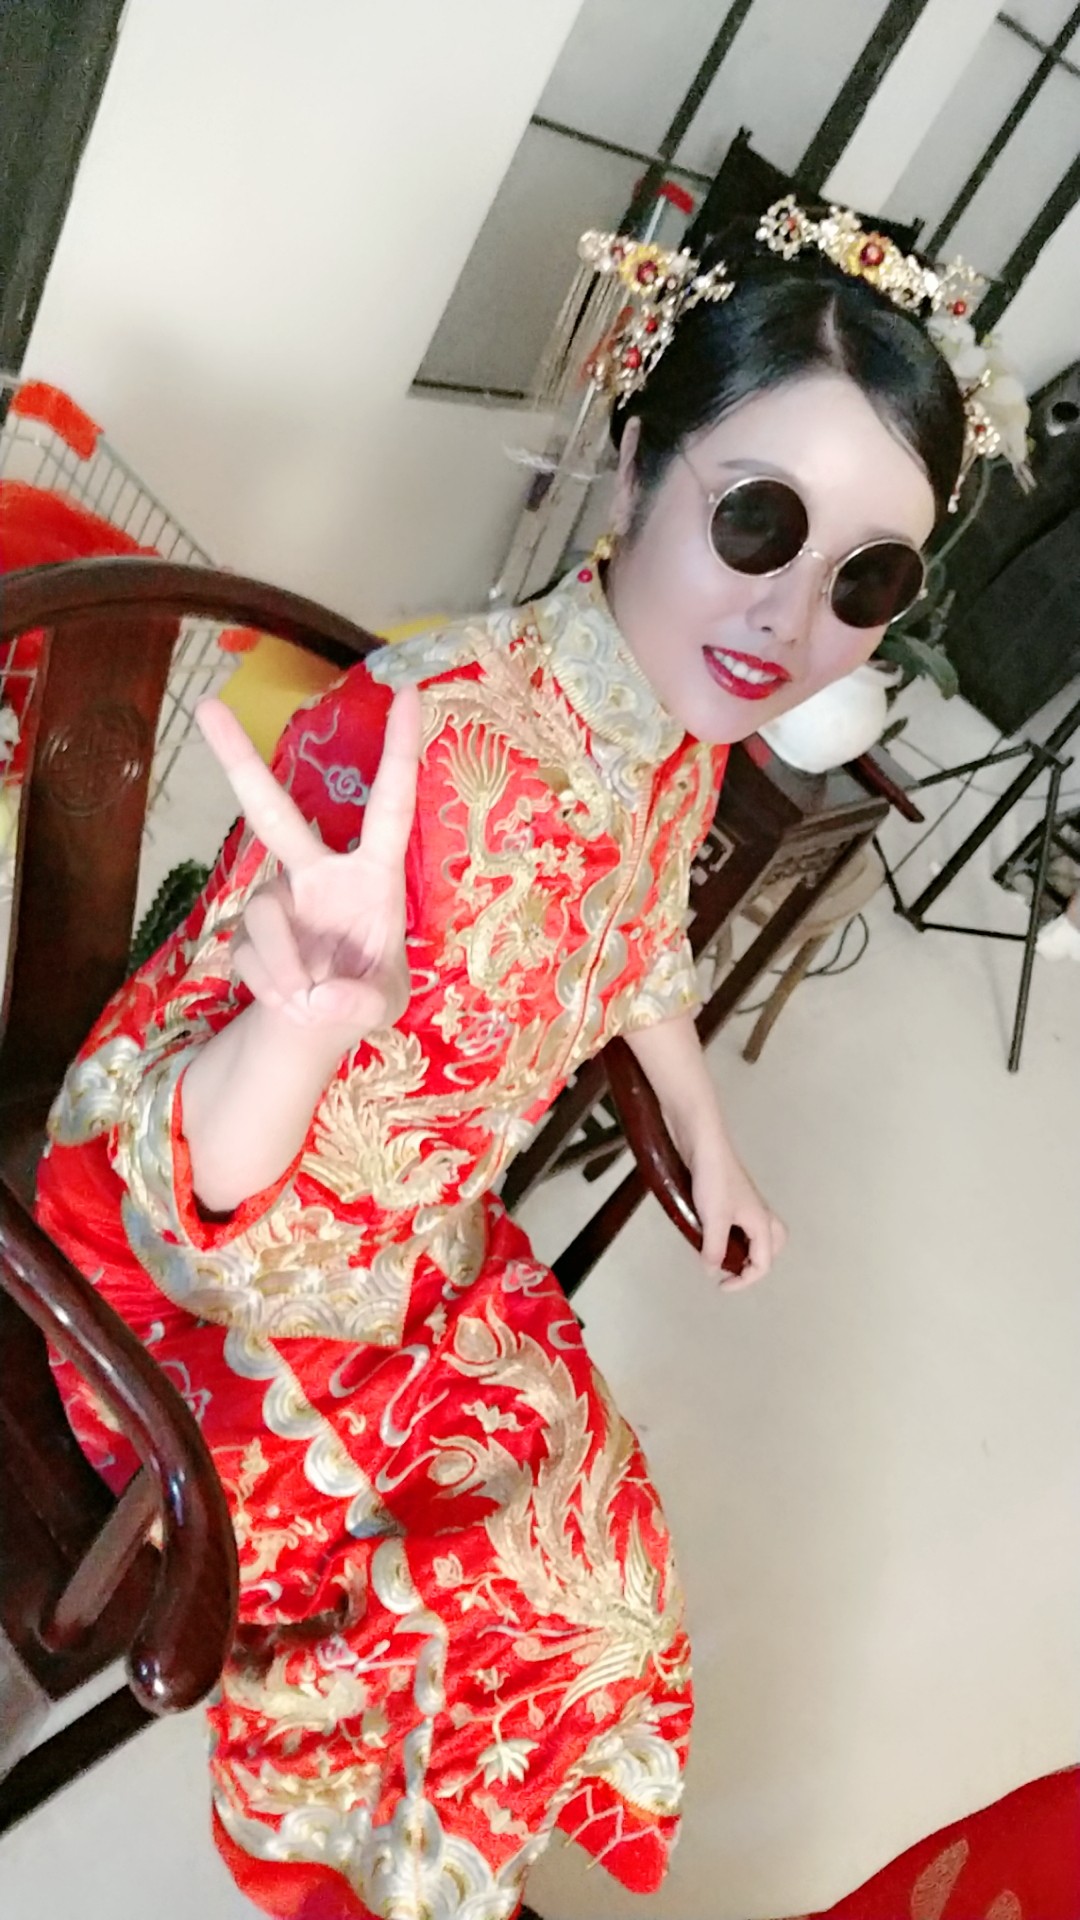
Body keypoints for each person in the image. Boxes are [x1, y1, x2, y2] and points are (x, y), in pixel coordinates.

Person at [36, 198, 970, 1920]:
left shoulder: (675, 726)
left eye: (866, 578)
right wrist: (303, 1026)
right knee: (518, 1597)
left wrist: (710, 1137)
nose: (792, 617)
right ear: (636, 469)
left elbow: (637, 944)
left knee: (608, 1584)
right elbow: (195, 1182)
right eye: (756, 520)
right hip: (201, 1247)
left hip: (408, 1241)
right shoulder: (416, 737)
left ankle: (420, 1852)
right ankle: (350, 1856)